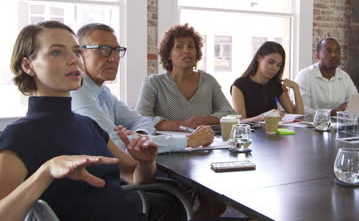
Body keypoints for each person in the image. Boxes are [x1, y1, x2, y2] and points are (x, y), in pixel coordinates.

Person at [0, 21, 157, 221]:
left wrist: (146, 161)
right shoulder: (17, 137)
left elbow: (135, 176)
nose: (74, 60)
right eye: (57, 52)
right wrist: (46, 172)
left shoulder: (88, 125)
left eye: (76, 52)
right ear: (28, 65)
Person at [70, 23, 214, 152]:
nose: (113, 58)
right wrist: (189, 141)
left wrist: (140, 136)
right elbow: (115, 143)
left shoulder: (103, 92)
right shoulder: (78, 91)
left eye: (116, 50)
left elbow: (143, 121)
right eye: (103, 50)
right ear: (81, 55)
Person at [136, 23, 235, 131]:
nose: (187, 50)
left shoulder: (208, 81)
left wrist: (205, 120)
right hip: (168, 145)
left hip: (204, 144)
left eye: (191, 46)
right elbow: (141, 118)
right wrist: (182, 124)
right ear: (168, 54)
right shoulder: (153, 83)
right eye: (179, 46)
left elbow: (230, 114)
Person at [231, 41, 304, 122]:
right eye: (271, 62)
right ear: (259, 58)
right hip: (250, 133)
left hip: (273, 132)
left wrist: (296, 88)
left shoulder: (275, 85)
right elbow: (240, 121)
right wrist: (263, 117)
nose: (274, 68)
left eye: (278, 65)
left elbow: (299, 117)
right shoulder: (239, 85)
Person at [295, 37, 357, 117]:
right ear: (317, 55)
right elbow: (302, 110)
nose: (334, 55)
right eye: (328, 51)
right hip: (310, 127)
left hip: (339, 127)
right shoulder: (305, 76)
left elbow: (355, 103)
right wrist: (331, 113)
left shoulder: (344, 77)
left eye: (337, 51)